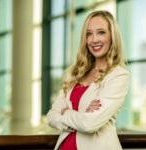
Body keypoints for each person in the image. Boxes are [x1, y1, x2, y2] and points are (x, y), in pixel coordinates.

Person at [47, 10, 129, 150]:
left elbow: (90, 124)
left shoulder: (118, 76)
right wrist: (82, 115)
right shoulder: (76, 73)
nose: (94, 39)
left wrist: (65, 112)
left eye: (101, 32)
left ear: (112, 36)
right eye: (89, 34)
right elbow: (51, 116)